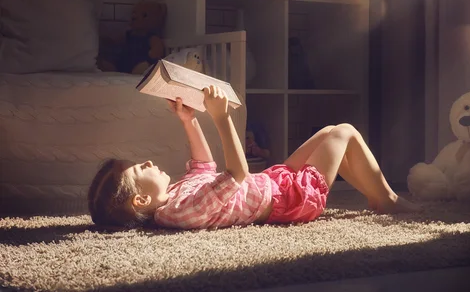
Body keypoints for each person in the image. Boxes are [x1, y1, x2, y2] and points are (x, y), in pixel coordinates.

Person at [87, 85, 420, 230]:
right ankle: (386, 198)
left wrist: (188, 120)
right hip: (289, 199)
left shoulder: (174, 196)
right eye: (138, 168)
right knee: (344, 131)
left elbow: (205, 167)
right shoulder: (180, 213)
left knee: (330, 131)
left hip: (273, 183)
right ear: (142, 199)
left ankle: (376, 196)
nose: (146, 162)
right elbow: (237, 173)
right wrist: (221, 118)